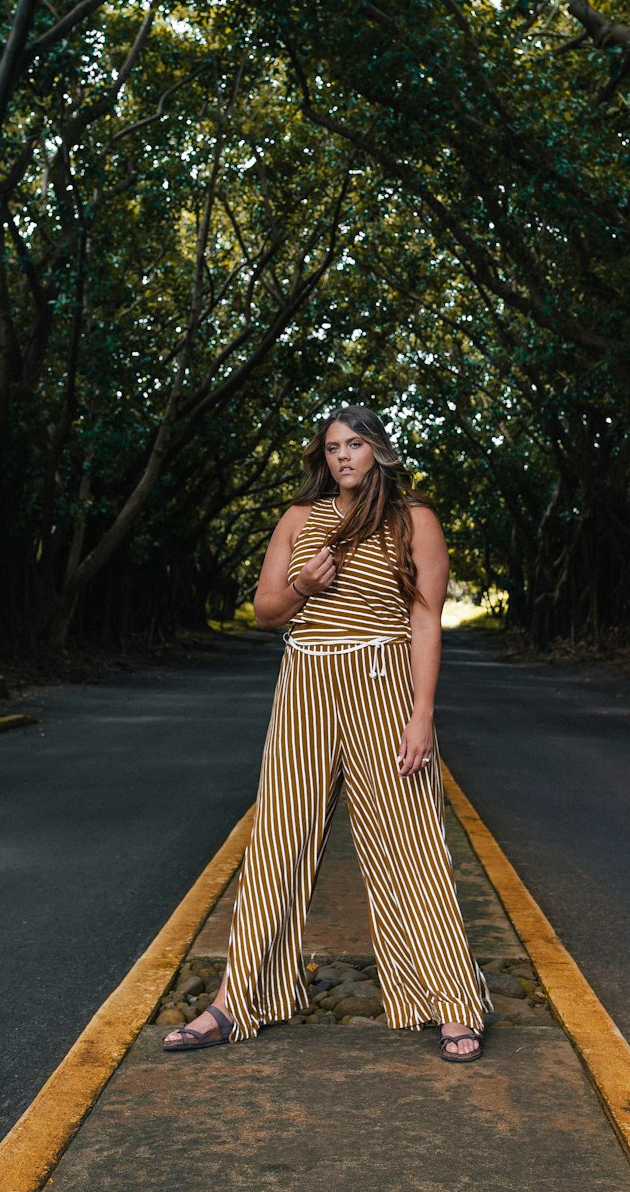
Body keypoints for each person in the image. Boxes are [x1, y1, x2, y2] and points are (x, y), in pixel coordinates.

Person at [162, 404, 492, 1062]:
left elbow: (425, 620)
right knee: (277, 842)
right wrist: (304, 586)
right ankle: (235, 1002)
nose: (343, 456)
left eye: (356, 444)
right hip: (305, 685)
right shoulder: (297, 519)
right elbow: (264, 611)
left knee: (411, 842)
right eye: (334, 446)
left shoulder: (414, 520)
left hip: (383, 681)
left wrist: (422, 711)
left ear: (380, 452)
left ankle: (454, 1003)